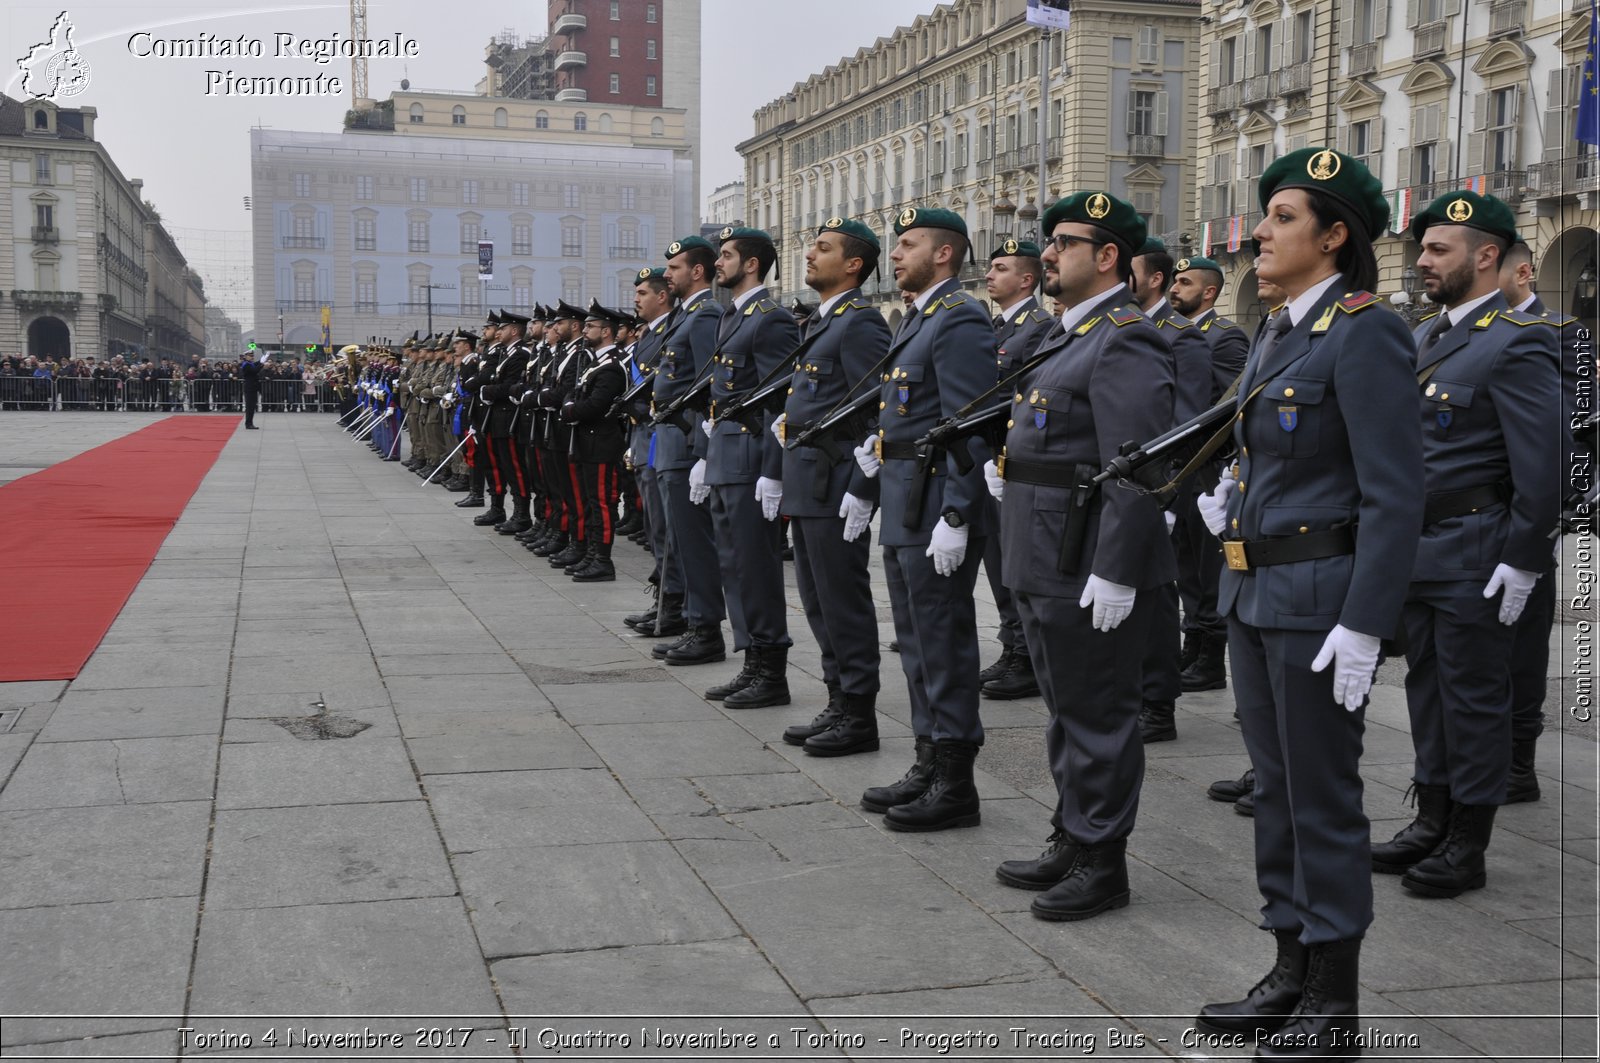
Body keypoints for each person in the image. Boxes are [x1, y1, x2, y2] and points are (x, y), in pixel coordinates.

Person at [1191, 147, 1424, 1059]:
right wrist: (1232, 501)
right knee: (1277, 796)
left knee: (1321, 798)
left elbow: (1393, 493)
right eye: (1266, 215)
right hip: (1253, 593)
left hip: (1322, 604)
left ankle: (1334, 998)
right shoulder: (1280, 330)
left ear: (1334, 237)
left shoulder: (1365, 331)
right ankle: (1288, 965)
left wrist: (1367, 623)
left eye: (1282, 217)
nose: (1260, 230)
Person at [985, 193, 1175, 919]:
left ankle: (1103, 860)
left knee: (1098, 713)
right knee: (1066, 709)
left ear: (1106, 257)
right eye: (1049, 241)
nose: (1049, 253)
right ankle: (1073, 834)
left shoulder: (1124, 335)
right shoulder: (1071, 333)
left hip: (1085, 555)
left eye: (1064, 242)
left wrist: (1117, 567)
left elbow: (1136, 466)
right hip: (1040, 548)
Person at [1369, 192, 1560, 900]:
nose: (1422, 260)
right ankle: (1433, 816)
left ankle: (1467, 842)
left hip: (1477, 548)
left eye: (1437, 249)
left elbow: (1541, 467)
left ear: (1486, 257)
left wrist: (1523, 559)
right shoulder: (1427, 335)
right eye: (1421, 249)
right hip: (1419, 548)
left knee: (1474, 698)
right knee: (1427, 691)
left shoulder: (1519, 338)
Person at [853, 206, 995, 832]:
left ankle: (956, 780)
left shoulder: (959, 319)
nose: (897, 252)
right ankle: (927, 757)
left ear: (945, 254)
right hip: (904, 498)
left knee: (943, 643)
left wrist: (960, 512)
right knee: (914, 643)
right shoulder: (918, 318)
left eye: (908, 243)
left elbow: (974, 424)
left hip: (935, 501)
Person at [776, 217, 891, 755]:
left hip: (835, 482)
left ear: (853, 265)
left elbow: (875, 412)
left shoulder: (860, 325)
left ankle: (859, 712)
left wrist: (861, 488)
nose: (809, 254)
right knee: (817, 601)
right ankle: (837, 699)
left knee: (842, 600)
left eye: (822, 248)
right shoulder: (823, 322)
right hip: (808, 479)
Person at [1497, 241, 1588, 802]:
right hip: (1471, 509)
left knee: (1524, 644)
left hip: (1527, 505)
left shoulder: (1564, 331)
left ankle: (1518, 762)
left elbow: (1580, 424)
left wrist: (1562, 505)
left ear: (1525, 272)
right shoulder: (1459, 329)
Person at [697, 227, 800, 708]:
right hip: (725, 455)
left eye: (727, 256)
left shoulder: (770, 319)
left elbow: (781, 403)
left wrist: (773, 470)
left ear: (752, 264)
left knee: (755, 568)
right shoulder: (733, 316)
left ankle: (771, 669)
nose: (719, 263)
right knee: (733, 566)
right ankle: (752, 661)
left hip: (750, 458)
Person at [1130, 236, 1214, 746]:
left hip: (1156, 487)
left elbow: (1186, 422)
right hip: (1116, 483)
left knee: (1154, 597)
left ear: (1153, 278)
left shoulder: (1180, 337)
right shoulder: (1119, 328)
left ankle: (1157, 704)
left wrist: (1163, 495)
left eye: (1130, 270)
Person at [1168, 255, 1252, 692]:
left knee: (1204, 565)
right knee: (1185, 562)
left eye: (1184, 283)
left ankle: (1209, 657)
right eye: (1174, 281)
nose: (1174, 289)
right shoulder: (1178, 334)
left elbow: (1224, 408)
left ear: (1209, 293)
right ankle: (1193, 644)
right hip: (1181, 466)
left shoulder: (1224, 337)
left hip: (1207, 469)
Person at [978, 238, 1054, 701]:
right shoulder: (997, 326)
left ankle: (1025, 655)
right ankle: (1011, 646)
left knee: (1014, 563)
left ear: (1027, 280)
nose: (990, 274)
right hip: (989, 459)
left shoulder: (1038, 327)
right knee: (996, 560)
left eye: (1001, 268)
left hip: (1013, 460)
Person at [651, 236, 730, 666]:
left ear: (697, 271)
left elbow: (708, 389)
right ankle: (691, 620)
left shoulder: (704, 317)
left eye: (676, 267)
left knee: (695, 544)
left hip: (686, 445)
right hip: (670, 444)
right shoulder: (686, 316)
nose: (668, 274)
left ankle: (706, 629)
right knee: (678, 542)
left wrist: (703, 452)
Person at [557, 302, 630, 581]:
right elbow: (572, 395)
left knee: (602, 503)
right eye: (585, 326)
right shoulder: (595, 362)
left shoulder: (610, 367)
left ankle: (602, 560)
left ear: (607, 332)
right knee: (589, 502)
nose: (585, 330)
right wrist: (571, 406)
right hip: (587, 442)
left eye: (591, 326)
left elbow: (594, 406)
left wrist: (570, 410)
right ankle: (590, 554)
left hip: (601, 443)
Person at [239, 348, 262, 429]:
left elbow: (255, 364)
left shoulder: (249, 364)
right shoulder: (246, 365)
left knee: (252, 406)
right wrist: (261, 363)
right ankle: (248, 424)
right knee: (249, 407)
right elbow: (255, 370)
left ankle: (250, 423)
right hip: (249, 388)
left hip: (253, 387)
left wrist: (261, 361)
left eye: (252, 356)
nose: (252, 357)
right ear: (246, 356)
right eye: (250, 356)